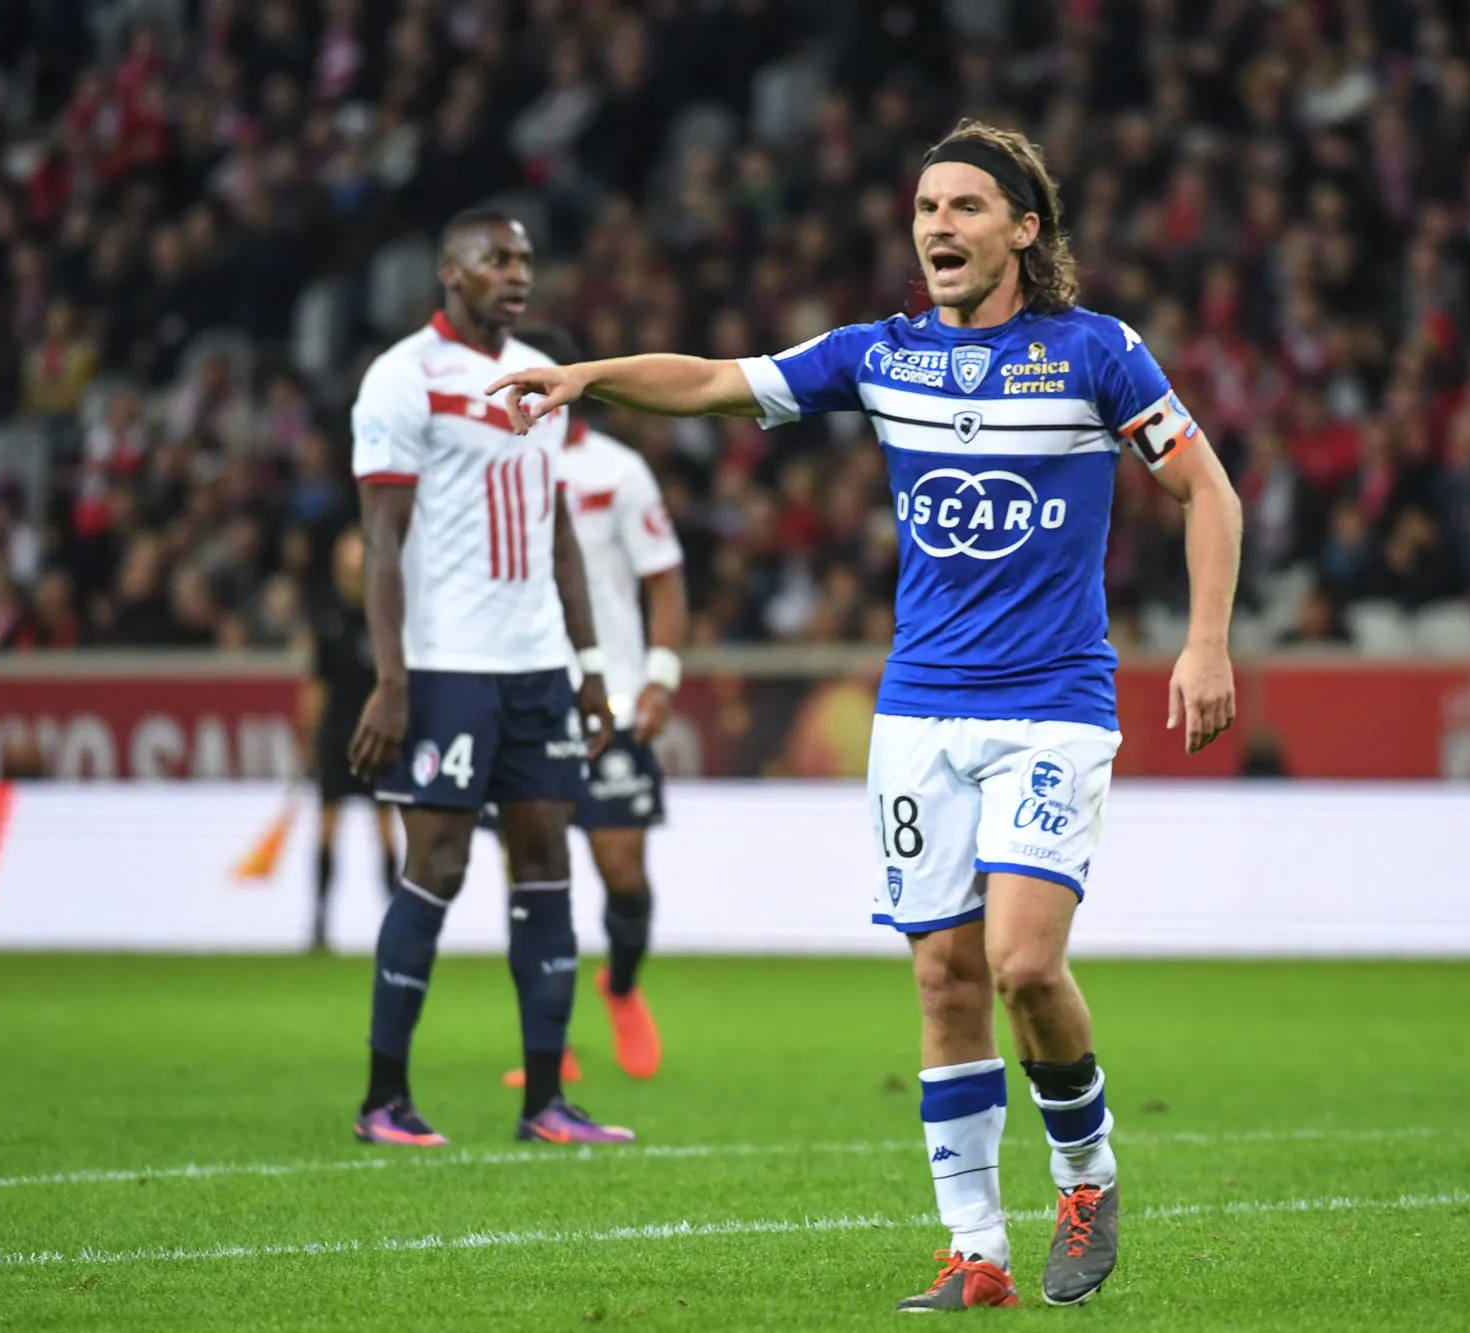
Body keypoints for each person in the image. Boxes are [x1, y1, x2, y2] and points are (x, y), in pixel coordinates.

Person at [487, 122, 1242, 1310]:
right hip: (919, 714)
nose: (938, 224)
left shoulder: (1096, 354)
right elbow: (719, 383)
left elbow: (1206, 488)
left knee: (1022, 963)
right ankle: (975, 1249)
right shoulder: (881, 357)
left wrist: (1204, 642)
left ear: (1023, 230)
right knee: (944, 977)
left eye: (965, 206)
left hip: (1050, 705)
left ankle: (1085, 1173)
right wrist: (586, 378)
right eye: (926, 207)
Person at [347, 208, 633, 1149]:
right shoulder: (405, 377)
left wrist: (589, 665)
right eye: (496, 259)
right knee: (436, 865)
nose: (516, 273)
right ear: (450, 270)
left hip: (538, 668)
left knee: (546, 863)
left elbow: (558, 533)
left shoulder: (542, 379)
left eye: (524, 259)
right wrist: (392, 678)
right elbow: (380, 544)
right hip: (447, 667)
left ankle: (544, 1101)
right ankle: (384, 1098)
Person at [500, 401, 687, 1089]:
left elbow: (664, 578)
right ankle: (547, 1039)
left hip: (615, 699)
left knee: (623, 871)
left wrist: (660, 677)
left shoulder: (618, 470)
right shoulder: (490, 459)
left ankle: (622, 985)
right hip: (524, 697)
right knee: (531, 875)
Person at [303, 524, 399, 952]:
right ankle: (320, 920)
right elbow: (316, 684)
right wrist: (310, 736)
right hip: (336, 734)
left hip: (378, 737)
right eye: (347, 564)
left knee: (386, 828)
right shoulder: (327, 618)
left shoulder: (387, 616)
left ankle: (395, 921)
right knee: (327, 827)